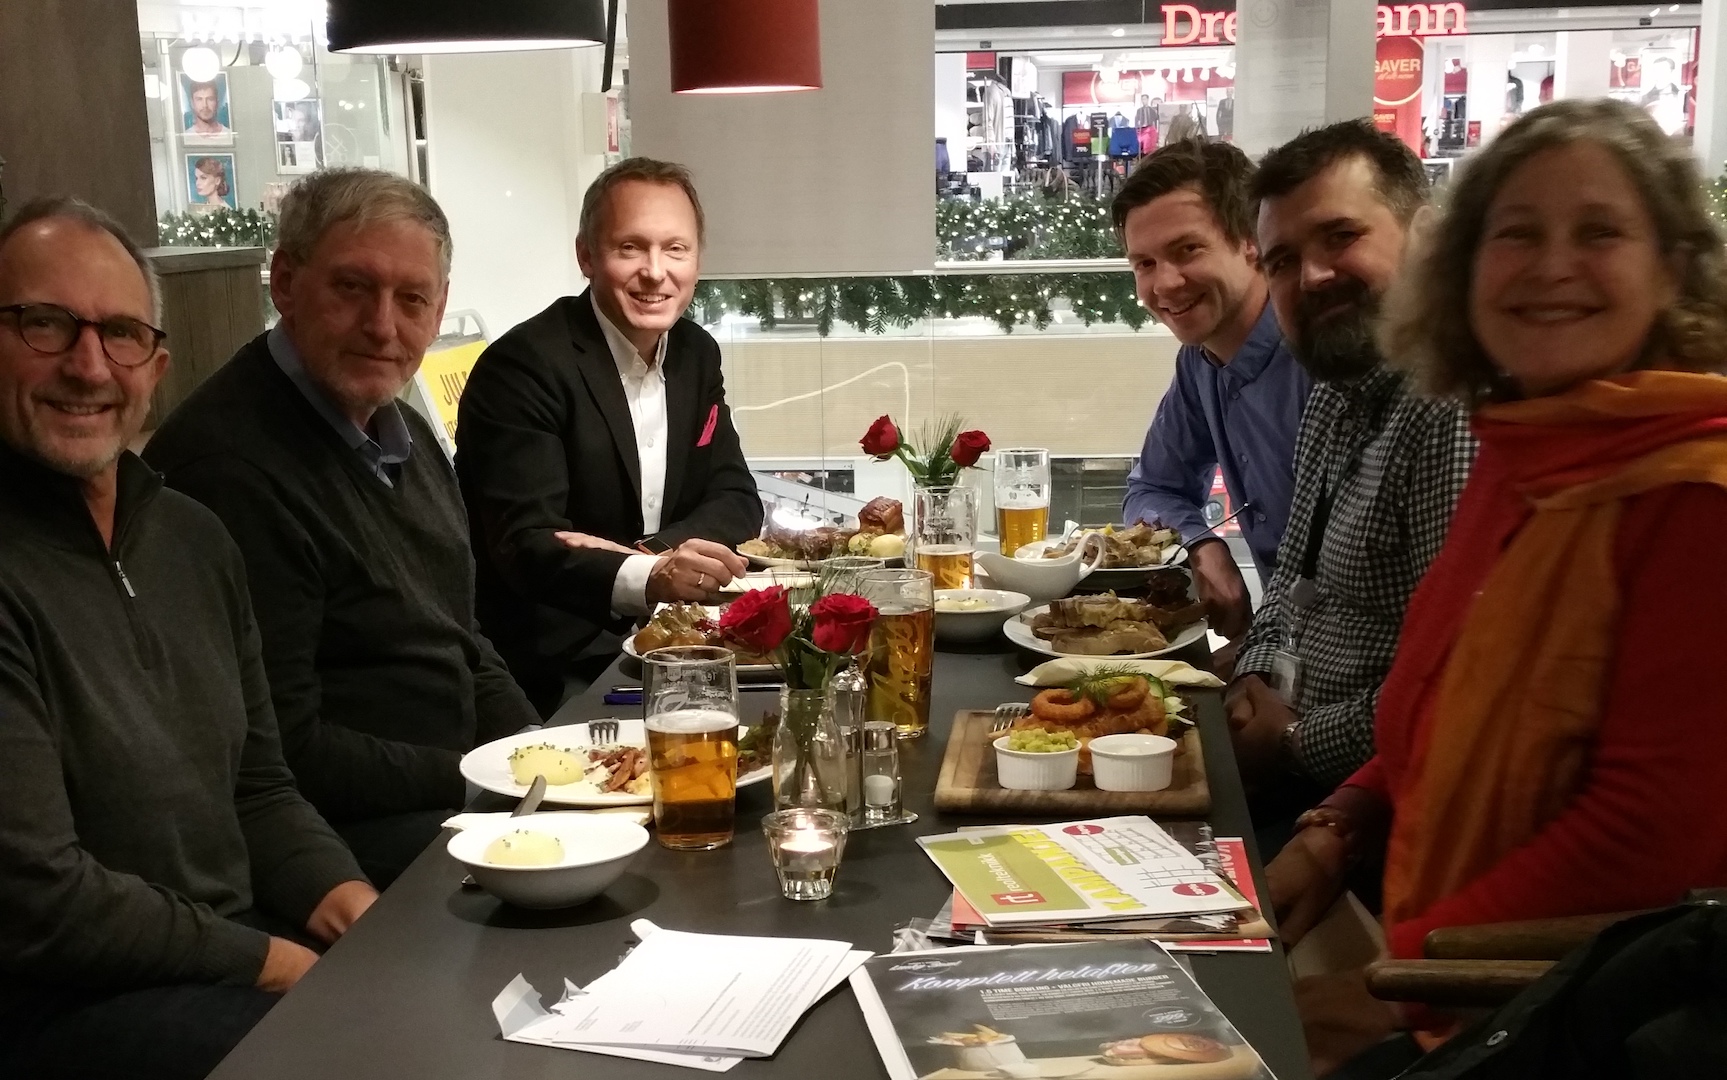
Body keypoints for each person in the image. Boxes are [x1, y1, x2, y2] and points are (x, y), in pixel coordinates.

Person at [1268, 98, 1727, 1074]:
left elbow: (1646, 838)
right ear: (1463, 272)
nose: (1551, 265)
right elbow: (1441, 698)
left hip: (1571, 1018)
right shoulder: (1522, 445)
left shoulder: (1696, 493)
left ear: (1672, 269)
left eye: (1597, 232)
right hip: (1444, 959)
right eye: (1515, 234)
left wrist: (1396, 984)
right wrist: (1342, 818)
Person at [0, 198, 375, 1079]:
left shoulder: (193, 538)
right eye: (45, 324)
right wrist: (276, 963)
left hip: (221, 953)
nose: (89, 365)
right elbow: (39, 900)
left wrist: (355, 907)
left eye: (121, 334)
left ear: (156, 366)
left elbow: (259, 787)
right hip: (58, 1003)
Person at [144, 169, 539, 887]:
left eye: (411, 299)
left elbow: (463, 641)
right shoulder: (230, 469)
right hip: (343, 842)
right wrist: (489, 779)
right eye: (353, 288)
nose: (383, 326)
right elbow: (284, 751)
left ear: (439, 307)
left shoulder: (403, 430)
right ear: (285, 283)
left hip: (449, 796)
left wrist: (542, 753)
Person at [1227, 121, 1476, 836]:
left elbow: (1454, 686)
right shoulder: (1335, 393)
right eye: (1282, 260)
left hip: (1382, 815)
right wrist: (1255, 676)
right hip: (1301, 778)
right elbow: (1291, 580)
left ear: (1424, 238)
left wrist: (1292, 741)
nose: (1311, 276)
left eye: (1340, 237)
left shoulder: (1449, 409)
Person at [457, 158, 761, 716]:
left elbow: (736, 498)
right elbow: (527, 545)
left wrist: (648, 560)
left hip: (671, 646)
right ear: (586, 256)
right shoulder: (523, 367)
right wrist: (654, 576)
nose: (655, 272)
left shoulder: (695, 352)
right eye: (630, 248)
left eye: (675, 249)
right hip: (555, 669)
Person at [1116, 140, 1312, 644]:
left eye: (1187, 250)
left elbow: (1338, 582)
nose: (1165, 284)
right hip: (1280, 650)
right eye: (1144, 263)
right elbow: (1152, 488)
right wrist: (1201, 544)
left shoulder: (1318, 357)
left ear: (1251, 241)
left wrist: (1260, 665)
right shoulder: (1199, 361)